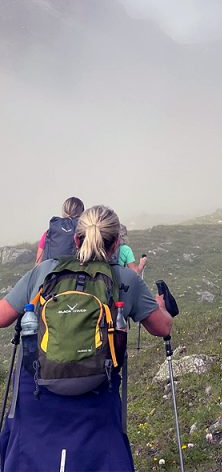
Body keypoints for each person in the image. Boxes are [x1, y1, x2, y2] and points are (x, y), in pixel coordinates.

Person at [0, 205, 173, 471]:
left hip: (38, 392)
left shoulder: (44, 271)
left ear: (76, 239)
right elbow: (163, 328)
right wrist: (160, 305)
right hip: (96, 395)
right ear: (116, 244)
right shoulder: (126, 279)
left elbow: (2, 317)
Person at [35, 196, 85, 264]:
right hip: (73, 270)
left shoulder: (49, 232)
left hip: (50, 270)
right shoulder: (83, 232)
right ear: (82, 212)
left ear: (64, 210)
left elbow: (38, 262)